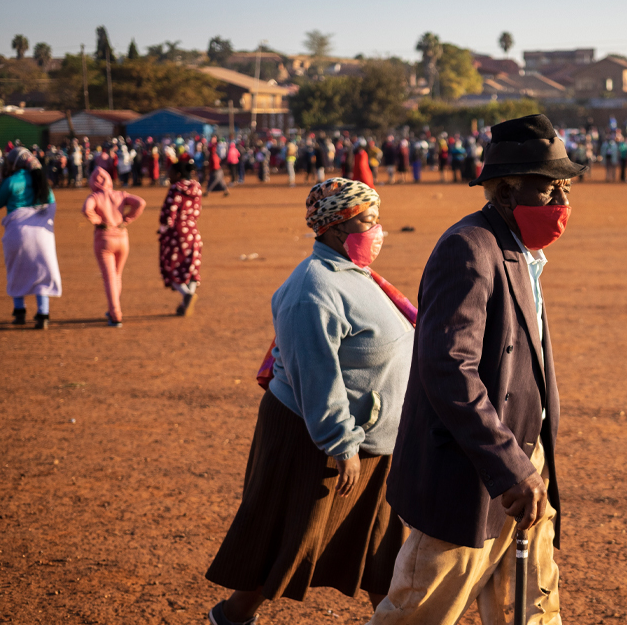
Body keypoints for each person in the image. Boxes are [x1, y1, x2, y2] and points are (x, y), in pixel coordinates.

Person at [369, 114, 582, 625]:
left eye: (565, 187)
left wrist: (529, 463)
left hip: (525, 464)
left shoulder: (520, 250)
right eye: (547, 187)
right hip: (472, 474)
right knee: (419, 612)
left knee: (530, 608)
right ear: (507, 192)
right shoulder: (469, 247)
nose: (561, 202)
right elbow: (449, 368)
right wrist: (509, 466)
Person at [206, 178, 415, 625]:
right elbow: (315, 374)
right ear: (338, 228)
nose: (378, 231)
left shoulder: (355, 275)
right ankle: (233, 615)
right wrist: (340, 443)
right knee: (289, 536)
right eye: (369, 222)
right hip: (312, 437)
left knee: (380, 546)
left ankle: (393, 619)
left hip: (370, 437)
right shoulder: (313, 288)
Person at [0, 147, 62, 329]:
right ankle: (43, 314)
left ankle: (20, 312)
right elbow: (52, 205)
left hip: (17, 232)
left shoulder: (11, 181)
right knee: (42, 272)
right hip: (41, 234)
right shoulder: (42, 181)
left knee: (17, 270)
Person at [82, 167, 146, 328]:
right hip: (122, 237)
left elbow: (86, 209)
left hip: (104, 239)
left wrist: (97, 220)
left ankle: (115, 313)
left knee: (109, 277)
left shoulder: (95, 196)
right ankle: (113, 308)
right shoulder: (120, 195)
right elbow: (140, 203)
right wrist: (127, 219)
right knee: (117, 276)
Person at [159, 160, 204, 316]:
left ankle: (187, 295)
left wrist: (163, 229)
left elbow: (168, 213)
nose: (168, 175)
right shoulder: (197, 188)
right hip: (193, 231)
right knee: (191, 266)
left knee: (170, 266)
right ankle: (187, 300)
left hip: (177, 233)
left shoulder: (175, 189)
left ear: (177, 174)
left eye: (170, 172)